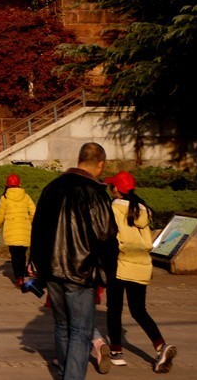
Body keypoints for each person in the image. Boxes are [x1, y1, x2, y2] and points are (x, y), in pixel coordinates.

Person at [29, 143, 118, 380]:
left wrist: (36, 265)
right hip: (81, 269)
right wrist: (110, 272)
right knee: (81, 330)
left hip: (52, 268)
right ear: (100, 164)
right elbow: (106, 235)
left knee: (61, 325)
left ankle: (65, 371)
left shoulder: (52, 187)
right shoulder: (95, 192)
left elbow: (37, 229)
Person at [105, 171, 177, 374]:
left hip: (119, 264)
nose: (111, 189)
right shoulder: (141, 209)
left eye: (112, 186)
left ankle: (116, 352)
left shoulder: (113, 207)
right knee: (139, 311)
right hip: (142, 265)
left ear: (116, 190)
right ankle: (161, 346)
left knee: (114, 309)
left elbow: (108, 236)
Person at [0, 173, 36, 285]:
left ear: (7, 185)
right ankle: (22, 274)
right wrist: (29, 222)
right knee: (22, 254)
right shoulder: (26, 197)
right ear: (20, 184)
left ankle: (19, 277)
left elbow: (1, 215)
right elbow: (34, 212)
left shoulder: (5, 198)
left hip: (11, 230)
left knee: (15, 255)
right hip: (24, 230)